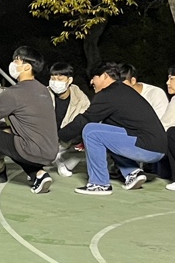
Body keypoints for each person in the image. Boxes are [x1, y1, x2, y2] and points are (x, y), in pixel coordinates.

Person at [68, 64, 168, 196]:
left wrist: (58, 136)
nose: (91, 82)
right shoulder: (122, 90)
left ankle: (99, 184)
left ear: (105, 76)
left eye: (94, 77)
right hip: (158, 147)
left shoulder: (108, 94)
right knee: (104, 133)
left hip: (148, 148)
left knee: (91, 131)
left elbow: (85, 119)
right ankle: (132, 172)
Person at [0, 46, 59, 196]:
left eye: (16, 61)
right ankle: (38, 174)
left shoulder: (13, 94)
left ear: (27, 67)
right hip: (51, 150)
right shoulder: (43, 90)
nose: (12, 64)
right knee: (14, 139)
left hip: (31, 150)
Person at [47, 62, 90, 177]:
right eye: (53, 78)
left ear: (69, 80)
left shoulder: (81, 99)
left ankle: (61, 159)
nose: (55, 82)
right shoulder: (44, 95)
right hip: (46, 139)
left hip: (68, 140)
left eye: (60, 78)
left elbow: (86, 119)